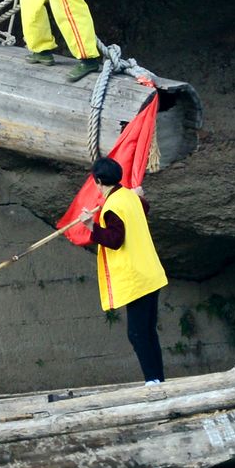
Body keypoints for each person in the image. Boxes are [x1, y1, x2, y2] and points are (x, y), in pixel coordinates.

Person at [86, 155, 168, 386]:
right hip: (150, 273)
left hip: (136, 279)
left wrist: (91, 227)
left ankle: (153, 381)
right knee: (148, 332)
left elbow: (115, 239)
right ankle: (157, 379)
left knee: (138, 334)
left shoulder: (112, 206)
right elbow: (144, 206)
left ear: (99, 180)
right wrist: (139, 196)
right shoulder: (129, 197)